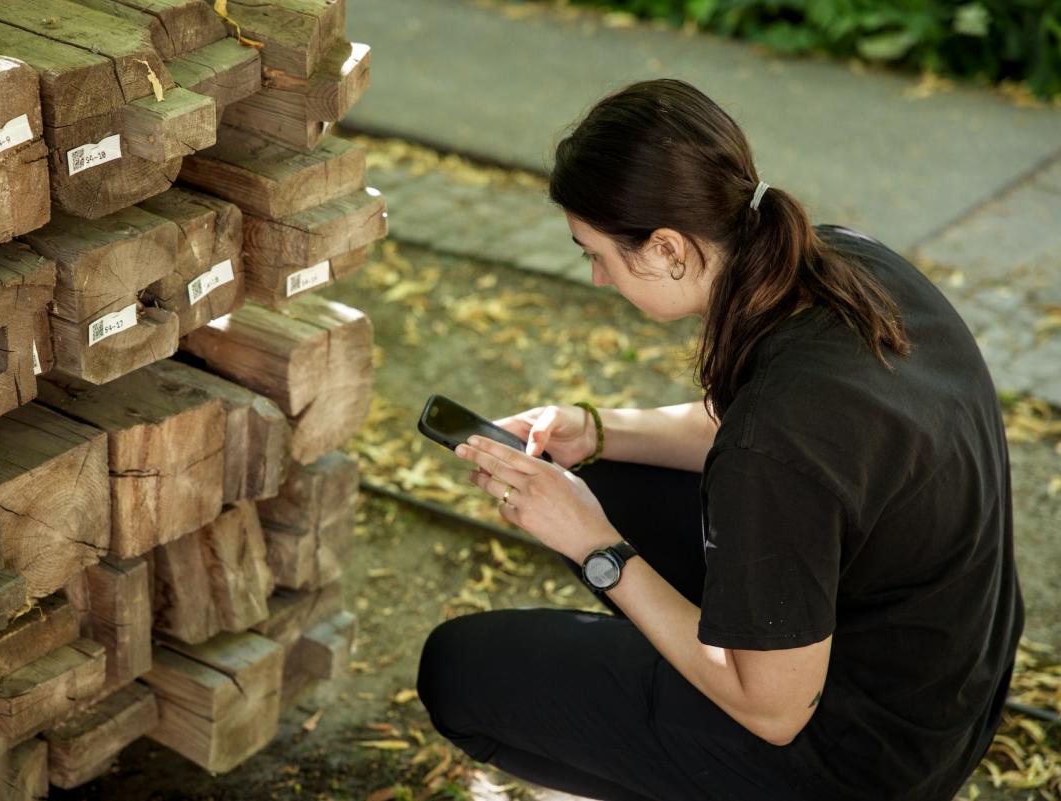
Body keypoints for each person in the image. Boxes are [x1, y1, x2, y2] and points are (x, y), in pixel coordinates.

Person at [415, 78, 1023, 801]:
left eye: (597, 254)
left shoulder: (776, 438)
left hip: (866, 757)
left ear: (669, 247)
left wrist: (597, 550)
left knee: (458, 671)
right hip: (952, 679)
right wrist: (594, 430)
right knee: (605, 478)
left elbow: (773, 709)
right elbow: (754, 438)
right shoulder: (843, 263)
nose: (599, 279)